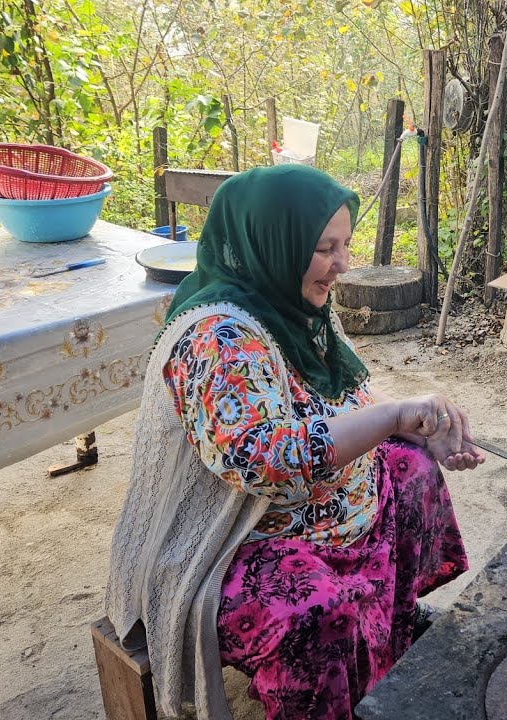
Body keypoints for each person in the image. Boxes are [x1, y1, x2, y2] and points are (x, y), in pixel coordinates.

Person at [104, 165, 485, 720]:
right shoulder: (217, 337)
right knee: (320, 612)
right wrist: (395, 414)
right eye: (324, 247)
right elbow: (270, 462)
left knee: (413, 472)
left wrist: (415, 429)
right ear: (273, 244)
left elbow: (347, 396)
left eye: (346, 244)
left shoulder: (296, 305)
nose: (343, 263)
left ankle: (391, 624)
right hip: (227, 536)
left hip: (310, 511)